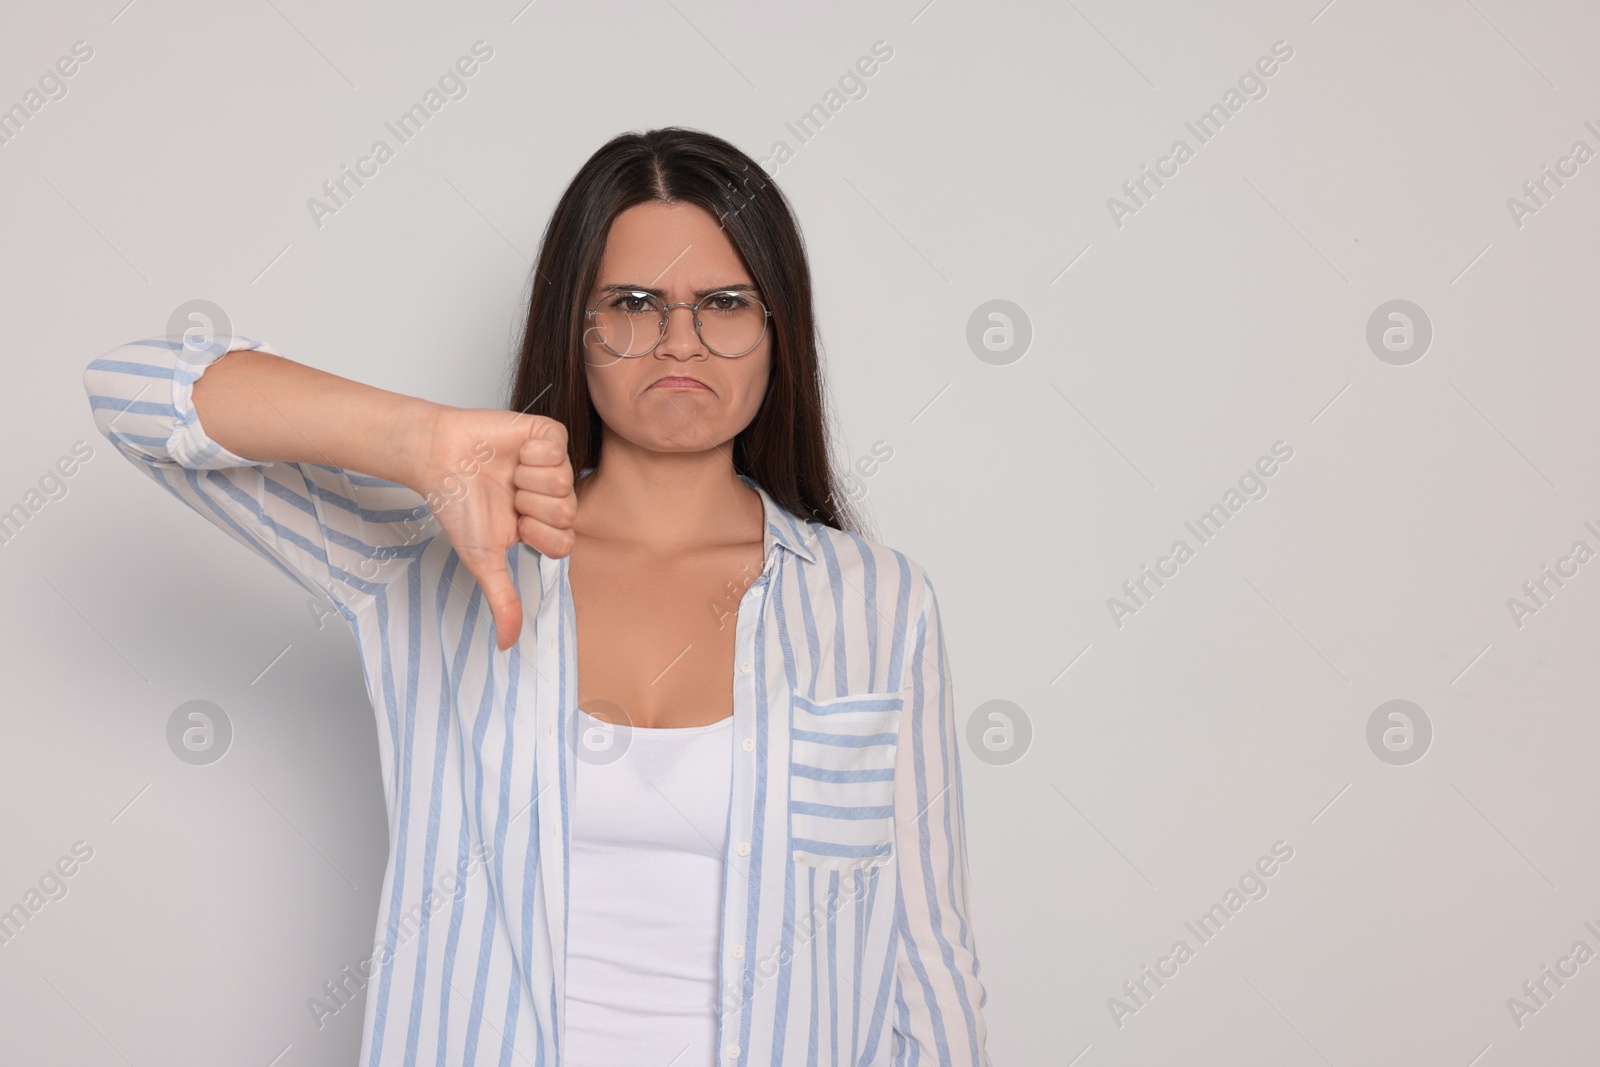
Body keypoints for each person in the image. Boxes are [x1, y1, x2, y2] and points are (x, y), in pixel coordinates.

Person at [82, 127, 990, 1066]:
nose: (680, 340)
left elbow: (930, 969)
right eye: (633, 304)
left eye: (724, 303)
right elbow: (130, 396)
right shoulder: (432, 560)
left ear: (776, 329)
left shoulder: (878, 603)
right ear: (577, 325)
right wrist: (419, 440)